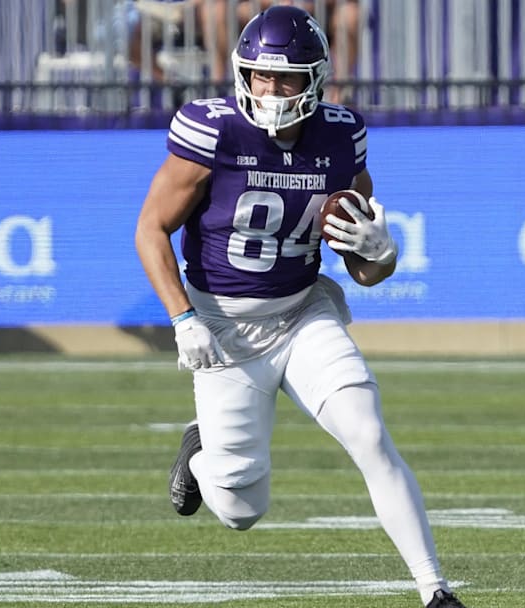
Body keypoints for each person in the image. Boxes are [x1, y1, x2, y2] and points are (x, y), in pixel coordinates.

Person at [133, 6, 467, 608]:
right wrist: (183, 319)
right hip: (225, 326)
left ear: (314, 80)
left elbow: (364, 270)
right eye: (260, 75)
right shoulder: (213, 131)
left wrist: (383, 253)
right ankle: (200, 452)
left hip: (302, 313)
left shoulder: (339, 137)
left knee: (368, 433)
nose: (271, 89)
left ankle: (434, 589)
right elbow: (150, 229)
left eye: (286, 78)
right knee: (239, 508)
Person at [202, 0, 361, 102]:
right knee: (217, 12)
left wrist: (302, 5)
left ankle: (339, 96)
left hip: (314, 14)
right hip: (261, 12)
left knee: (351, 15)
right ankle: (221, 89)